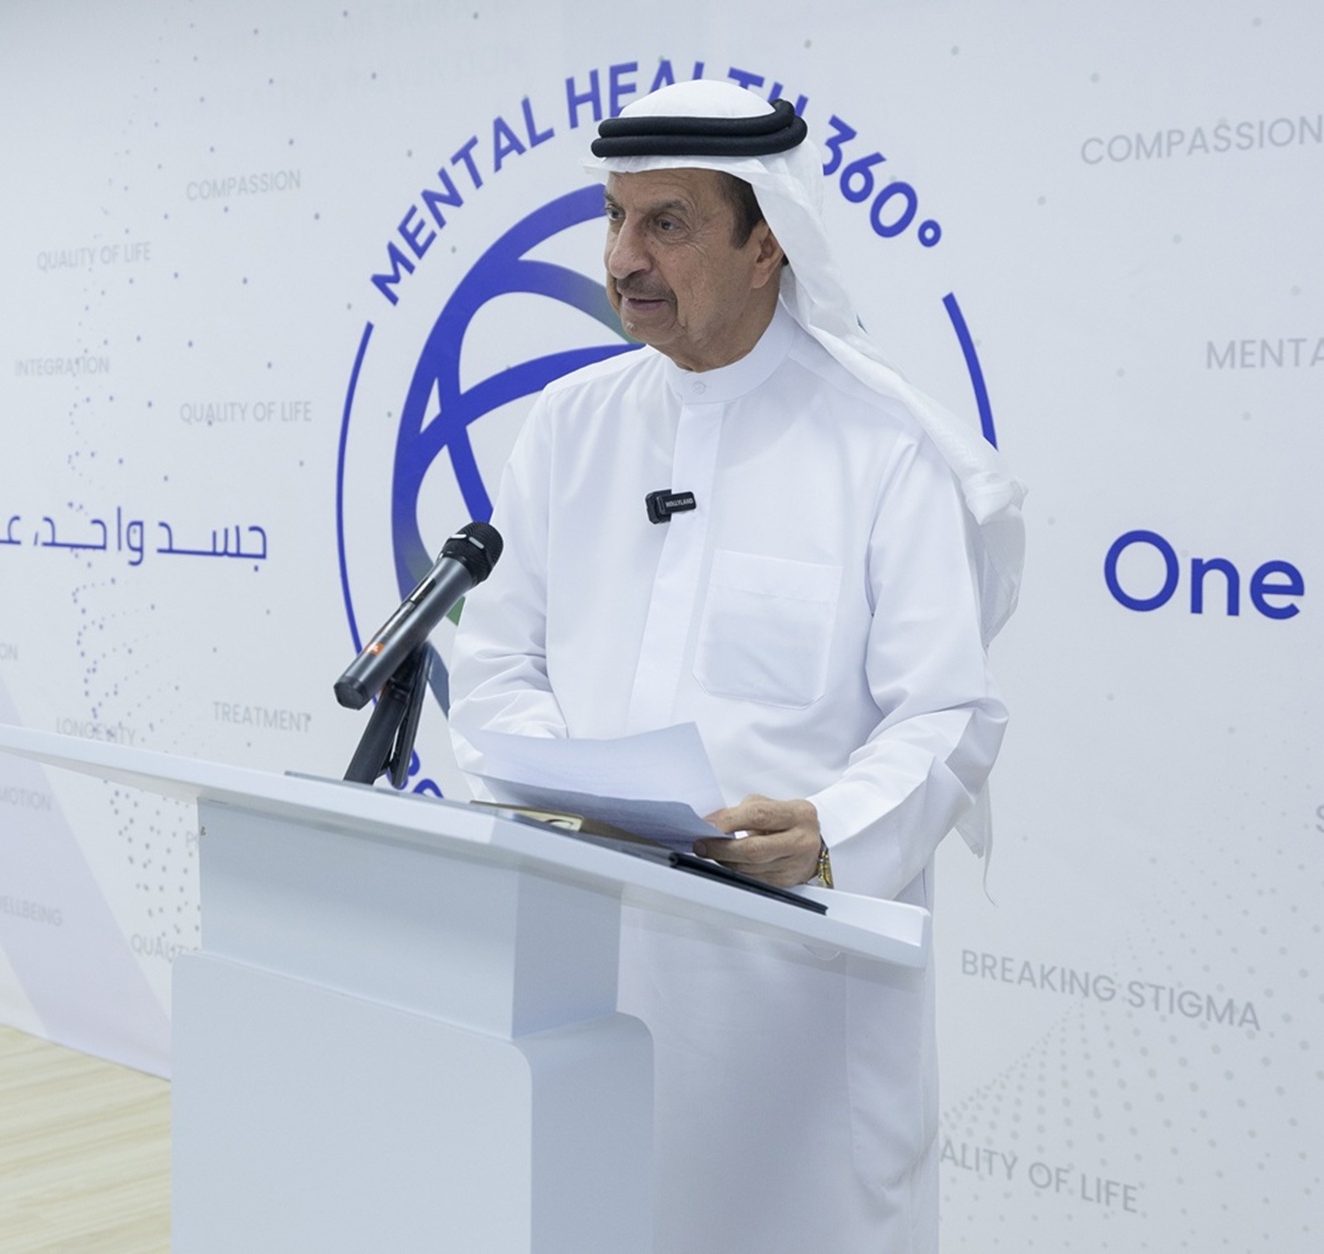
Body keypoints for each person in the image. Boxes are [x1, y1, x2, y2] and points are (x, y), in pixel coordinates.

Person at [447, 79, 1025, 1254]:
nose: (623, 259)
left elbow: (946, 712)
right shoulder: (569, 425)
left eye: (666, 224)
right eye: (614, 218)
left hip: (792, 988)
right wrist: (568, 787)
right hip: (588, 953)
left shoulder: (883, 448)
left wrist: (828, 832)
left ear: (766, 245)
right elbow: (498, 659)